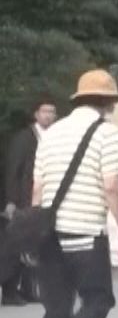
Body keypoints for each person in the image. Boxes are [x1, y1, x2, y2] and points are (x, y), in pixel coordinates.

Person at [21, 71, 118, 318]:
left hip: (48, 234)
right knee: (98, 301)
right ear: (110, 101)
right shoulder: (107, 133)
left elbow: (38, 189)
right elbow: (111, 186)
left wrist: (34, 233)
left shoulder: (51, 133)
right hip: (84, 232)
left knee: (56, 309)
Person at [3, 100, 58, 307]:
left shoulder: (53, 137)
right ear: (36, 114)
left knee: (33, 246)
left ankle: (28, 288)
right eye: (45, 111)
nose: (49, 116)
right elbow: (13, 170)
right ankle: (9, 290)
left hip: (42, 199)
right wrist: (10, 200)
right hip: (23, 200)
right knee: (16, 246)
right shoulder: (24, 138)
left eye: (52, 112)